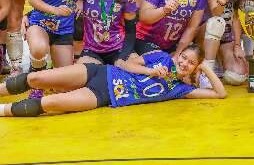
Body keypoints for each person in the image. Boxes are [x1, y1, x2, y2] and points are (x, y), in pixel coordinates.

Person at [0, 44, 226, 117]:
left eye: (191, 63)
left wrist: (207, 66)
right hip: (101, 73)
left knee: (50, 104)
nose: (184, 63)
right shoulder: (162, 58)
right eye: (184, 57)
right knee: (37, 77)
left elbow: (220, 94)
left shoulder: (180, 88)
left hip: (106, 95)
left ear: (194, 68)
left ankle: (3, 110)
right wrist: (149, 72)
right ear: (179, 55)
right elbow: (125, 64)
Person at [202, 0, 250, 85]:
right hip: (205, 31)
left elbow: (235, 17)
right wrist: (222, 3)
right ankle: (208, 69)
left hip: (226, 35)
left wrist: (237, 45)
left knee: (237, 76)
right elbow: (215, 12)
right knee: (217, 22)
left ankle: (220, 58)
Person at [77, 0, 138, 66]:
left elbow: (131, 32)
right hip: (91, 49)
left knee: (134, 69)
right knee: (82, 74)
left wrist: (122, 57)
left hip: (118, 47)